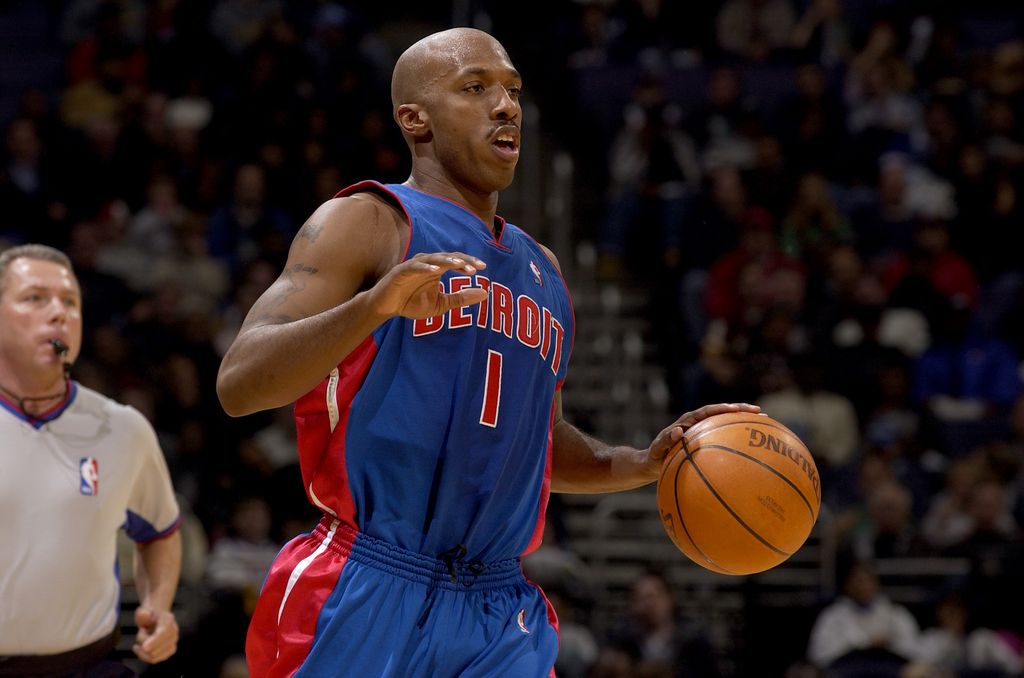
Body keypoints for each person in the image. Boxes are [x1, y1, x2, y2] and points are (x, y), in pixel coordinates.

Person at [215, 27, 760, 677]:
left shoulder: (547, 272)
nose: (506, 106)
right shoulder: (368, 220)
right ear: (414, 119)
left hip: (500, 608)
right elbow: (239, 384)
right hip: (368, 583)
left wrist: (640, 463)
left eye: (512, 91)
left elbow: (540, 440)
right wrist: (373, 308)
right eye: (475, 89)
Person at [0, 243, 183, 674]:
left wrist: (158, 607)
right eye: (35, 298)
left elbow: (159, 532)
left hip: (88, 665)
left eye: (70, 302)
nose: (59, 312)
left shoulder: (124, 428)